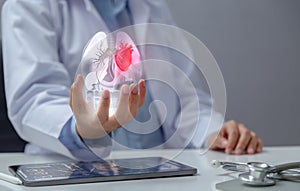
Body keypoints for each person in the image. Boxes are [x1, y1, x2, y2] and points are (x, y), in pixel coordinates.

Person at [1, 0, 263, 161]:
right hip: (76, 170)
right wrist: (83, 131)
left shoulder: (148, 4)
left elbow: (184, 95)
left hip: (162, 168)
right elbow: (33, 99)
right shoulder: (29, 4)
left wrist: (213, 132)